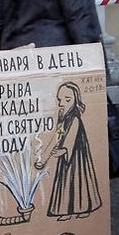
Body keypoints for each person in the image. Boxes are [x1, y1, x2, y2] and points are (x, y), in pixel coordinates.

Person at [34, 82, 101, 219]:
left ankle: (83, 208)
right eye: (60, 100)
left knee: (78, 179)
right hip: (66, 158)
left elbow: (71, 137)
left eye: (67, 100)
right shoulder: (64, 119)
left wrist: (64, 150)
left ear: (76, 100)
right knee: (65, 181)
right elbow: (57, 136)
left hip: (77, 156)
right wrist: (44, 158)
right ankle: (66, 210)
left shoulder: (74, 119)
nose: (62, 103)